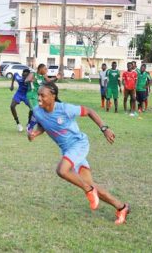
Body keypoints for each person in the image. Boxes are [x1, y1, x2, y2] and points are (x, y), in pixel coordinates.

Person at [27, 81, 130, 225]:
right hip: (68, 151)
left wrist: (104, 128)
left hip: (79, 145)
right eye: (38, 95)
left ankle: (88, 190)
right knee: (90, 183)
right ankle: (122, 207)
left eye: (42, 95)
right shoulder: (38, 111)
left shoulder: (65, 109)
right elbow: (43, 124)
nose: (39, 98)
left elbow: (89, 111)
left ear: (53, 96)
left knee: (62, 170)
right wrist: (35, 133)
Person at [25, 64, 56, 128]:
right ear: (40, 69)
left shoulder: (44, 76)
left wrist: (56, 78)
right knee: (36, 111)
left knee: (40, 111)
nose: (46, 71)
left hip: (39, 96)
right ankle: (30, 126)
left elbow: (50, 81)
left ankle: (30, 124)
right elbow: (25, 80)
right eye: (45, 69)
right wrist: (29, 80)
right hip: (31, 95)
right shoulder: (33, 74)